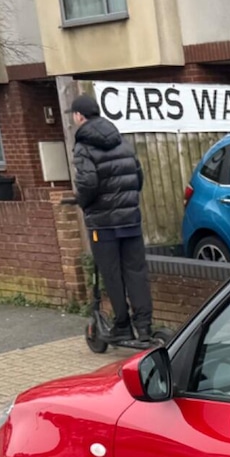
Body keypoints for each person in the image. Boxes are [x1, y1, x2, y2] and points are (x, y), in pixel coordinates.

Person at [69, 94, 158, 341]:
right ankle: (144, 326)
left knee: (112, 273)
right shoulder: (122, 142)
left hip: (103, 224)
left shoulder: (83, 146)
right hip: (130, 219)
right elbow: (137, 178)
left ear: (79, 116)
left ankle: (122, 324)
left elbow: (87, 182)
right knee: (136, 271)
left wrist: (83, 203)